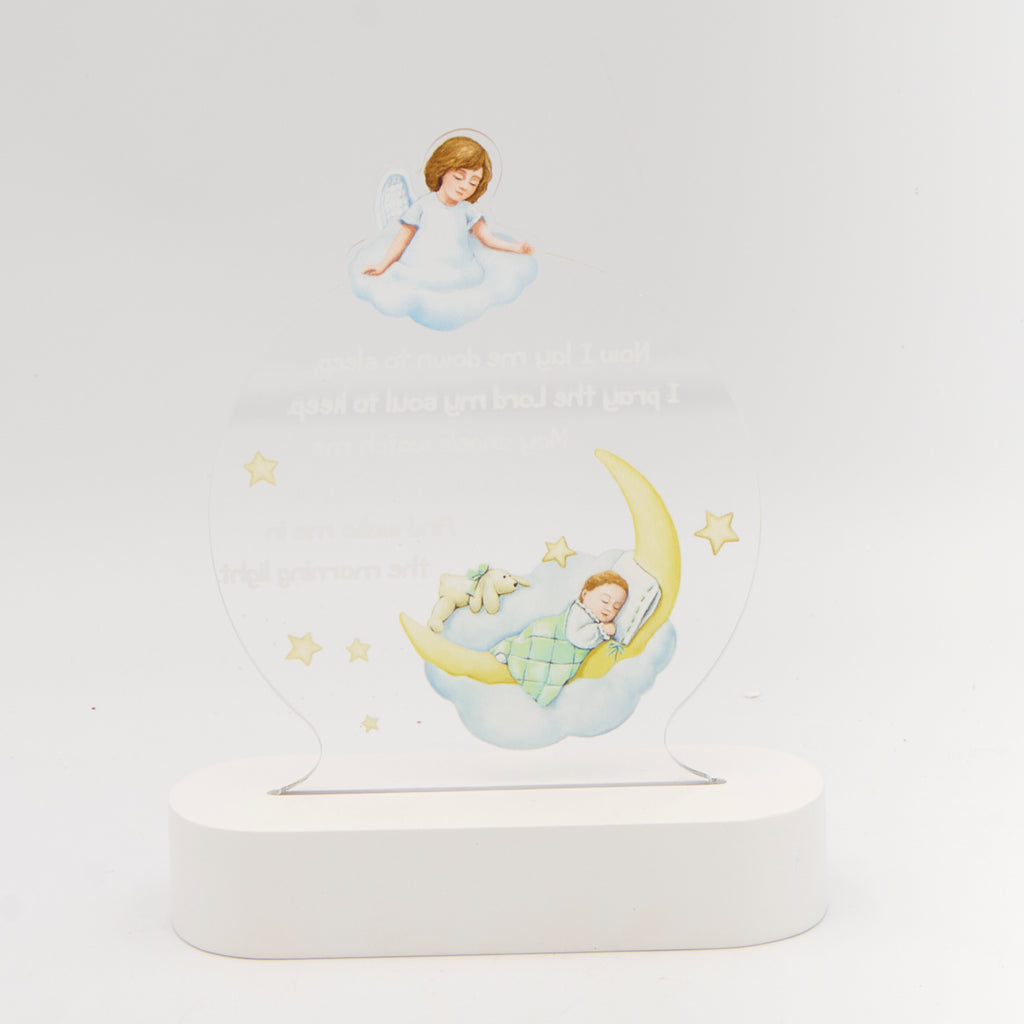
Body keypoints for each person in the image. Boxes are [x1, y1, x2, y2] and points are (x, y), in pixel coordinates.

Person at [349, 135, 537, 329]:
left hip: (461, 272)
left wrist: (517, 247)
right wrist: (382, 265)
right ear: (442, 170)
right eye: (459, 177)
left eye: (473, 182)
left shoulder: (468, 211)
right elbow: (402, 239)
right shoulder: (423, 206)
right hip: (421, 269)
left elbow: (488, 239)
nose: (464, 186)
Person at [491, 571, 629, 707]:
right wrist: (601, 630)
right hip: (550, 633)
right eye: (605, 601)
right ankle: (512, 655)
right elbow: (576, 638)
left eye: (616, 607)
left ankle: (508, 650)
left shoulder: (592, 618)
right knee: (536, 651)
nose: (609, 609)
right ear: (585, 595)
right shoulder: (579, 613)